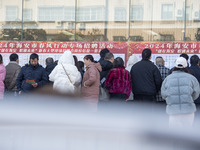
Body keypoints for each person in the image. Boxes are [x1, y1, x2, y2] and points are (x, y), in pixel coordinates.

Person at [161, 57, 200, 127]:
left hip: (173, 111)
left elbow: (164, 94)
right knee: (187, 133)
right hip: (188, 110)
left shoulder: (168, 79)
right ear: (186, 65)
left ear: (175, 65)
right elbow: (196, 93)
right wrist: (189, 98)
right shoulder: (191, 78)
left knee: (175, 134)